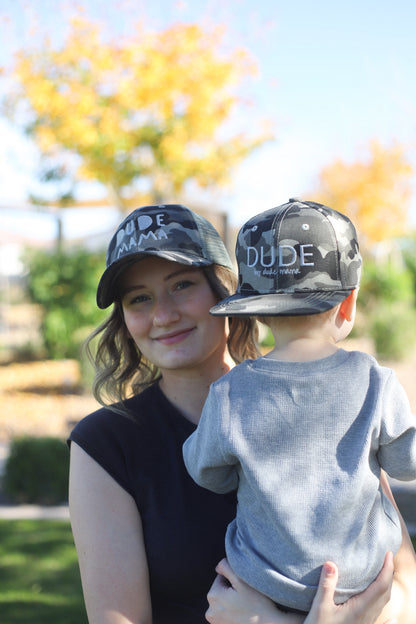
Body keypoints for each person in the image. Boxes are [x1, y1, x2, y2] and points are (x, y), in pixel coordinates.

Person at [67, 203, 415, 624]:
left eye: (182, 285)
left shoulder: (332, 398)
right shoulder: (106, 445)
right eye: (139, 298)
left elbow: (406, 587)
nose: (162, 315)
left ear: (227, 289)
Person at [183, 199, 416, 614]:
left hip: (263, 583)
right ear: (348, 303)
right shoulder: (375, 380)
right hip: (360, 579)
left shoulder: (231, 392)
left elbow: (206, 472)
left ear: (258, 314)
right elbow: (406, 464)